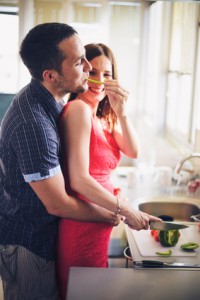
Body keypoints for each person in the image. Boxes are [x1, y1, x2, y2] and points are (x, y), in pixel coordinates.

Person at [0, 23, 122, 300]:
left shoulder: (52, 103)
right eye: (80, 61)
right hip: (27, 244)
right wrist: (115, 214)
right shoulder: (34, 123)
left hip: (41, 237)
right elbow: (57, 203)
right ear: (51, 75)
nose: (89, 69)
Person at [56, 43, 161, 300]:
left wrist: (121, 112)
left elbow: (134, 151)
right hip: (81, 226)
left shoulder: (102, 116)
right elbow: (79, 180)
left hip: (99, 226)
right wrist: (125, 209)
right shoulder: (79, 110)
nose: (99, 81)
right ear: (82, 71)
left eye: (108, 74)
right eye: (94, 72)